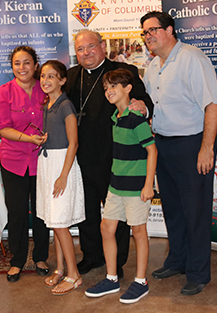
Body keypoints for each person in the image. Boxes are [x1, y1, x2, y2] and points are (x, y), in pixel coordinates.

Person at [140, 11, 217, 295]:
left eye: (154, 30)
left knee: (195, 211)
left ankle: (199, 273)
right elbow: (155, 105)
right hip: (164, 144)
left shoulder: (191, 58)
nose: (149, 36)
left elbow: (213, 104)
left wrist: (206, 148)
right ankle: (177, 260)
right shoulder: (152, 67)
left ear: (170, 30)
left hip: (192, 144)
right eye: (145, 32)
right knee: (173, 209)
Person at [65, 29, 154, 277]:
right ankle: (92, 256)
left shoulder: (123, 72)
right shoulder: (72, 76)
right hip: (82, 155)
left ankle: (120, 261)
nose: (86, 53)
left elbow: (145, 102)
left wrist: (143, 107)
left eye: (91, 46)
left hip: (116, 156)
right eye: (80, 49)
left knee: (120, 214)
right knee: (88, 211)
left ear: (102, 46)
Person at [85, 68, 157, 304]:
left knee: (138, 231)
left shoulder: (137, 119)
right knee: (107, 229)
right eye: (106, 88)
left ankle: (140, 282)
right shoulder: (115, 119)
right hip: (116, 186)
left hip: (136, 188)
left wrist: (148, 185)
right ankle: (112, 277)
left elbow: (152, 150)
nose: (109, 91)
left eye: (114, 86)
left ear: (128, 89)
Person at [0, 46, 50, 283]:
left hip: (42, 161)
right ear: (12, 66)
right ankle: (17, 261)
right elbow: (1, 128)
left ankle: (40, 257)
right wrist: (28, 138)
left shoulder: (46, 88)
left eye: (27, 62)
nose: (22, 68)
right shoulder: (3, 92)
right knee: (16, 212)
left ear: (36, 65)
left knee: (41, 212)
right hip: (13, 160)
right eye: (17, 63)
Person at [37, 60, 85, 295]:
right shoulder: (48, 104)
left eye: (51, 77)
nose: (46, 81)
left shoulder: (66, 105)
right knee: (53, 222)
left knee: (61, 223)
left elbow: (73, 142)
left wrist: (63, 175)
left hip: (61, 165)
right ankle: (60, 268)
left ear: (62, 81)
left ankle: (74, 275)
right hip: (47, 164)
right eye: (43, 76)